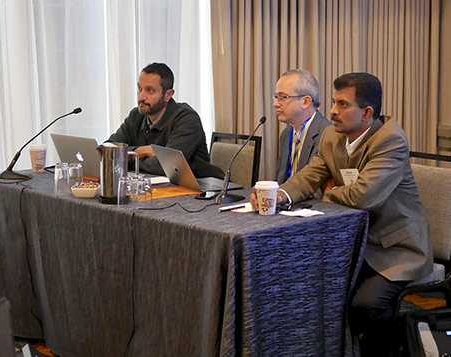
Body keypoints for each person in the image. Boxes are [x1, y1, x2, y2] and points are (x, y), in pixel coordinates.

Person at [251, 72, 433, 356]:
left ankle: (390, 348)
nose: (333, 111)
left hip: (395, 249)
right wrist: (280, 194)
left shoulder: (390, 141)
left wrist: (329, 193)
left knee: (365, 305)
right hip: (352, 244)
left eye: (343, 105)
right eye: (334, 103)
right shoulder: (331, 137)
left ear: (367, 112)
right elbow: (308, 176)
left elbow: (363, 196)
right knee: (311, 288)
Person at [107, 62, 223, 178]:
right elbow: (107, 151)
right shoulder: (136, 116)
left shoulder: (186, 118)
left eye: (150, 90)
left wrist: (125, 158)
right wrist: (141, 151)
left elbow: (166, 166)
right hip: (161, 188)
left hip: (203, 190)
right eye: (140, 88)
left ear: (168, 95)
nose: (141, 97)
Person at [274, 69, 330, 184]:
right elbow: (280, 181)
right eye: (275, 97)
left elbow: (317, 189)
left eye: (283, 97)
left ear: (306, 101)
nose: (275, 104)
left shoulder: (327, 135)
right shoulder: (286, 134)